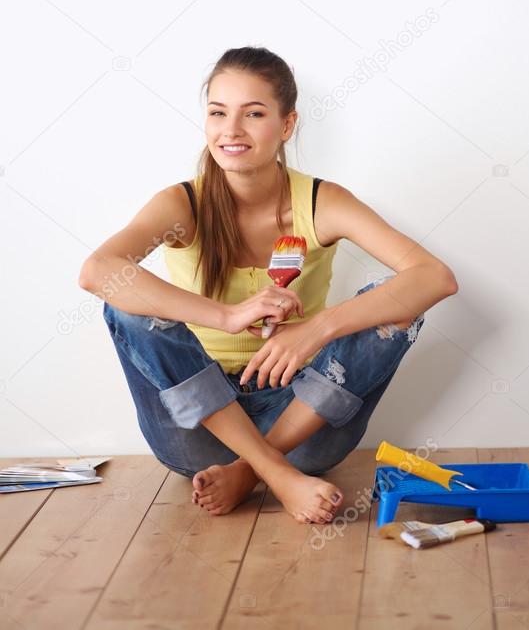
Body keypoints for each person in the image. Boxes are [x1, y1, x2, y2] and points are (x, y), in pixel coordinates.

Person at [79, 46, 458, 525]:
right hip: (198, 429)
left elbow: (435, 278)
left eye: (253, 113)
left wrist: (315, 329)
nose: (231, 130)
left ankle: (253, 468)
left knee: (401, 303)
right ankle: (273, 474)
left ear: (286, 125)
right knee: (125, 305)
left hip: (301, 422)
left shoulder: (322, 201)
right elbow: (97, 271)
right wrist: (226, 315)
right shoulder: (181, 203)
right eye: (218, 112)